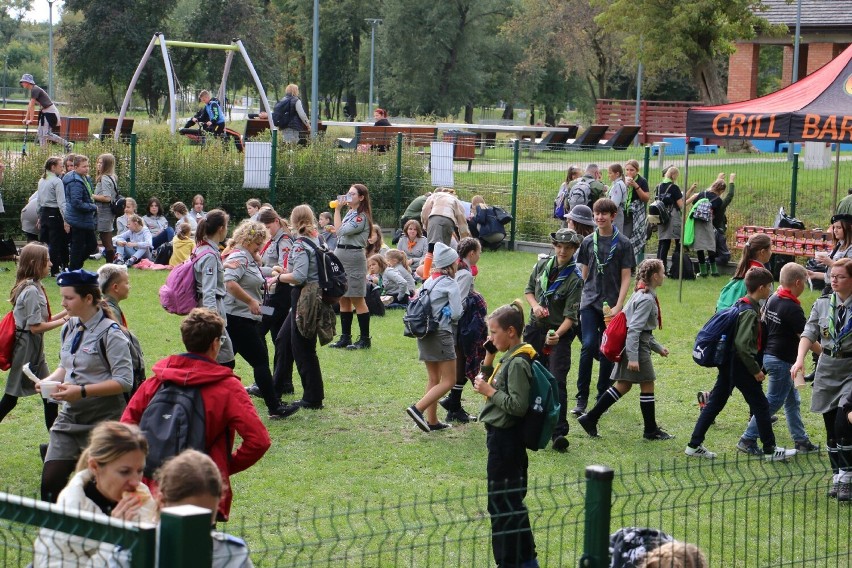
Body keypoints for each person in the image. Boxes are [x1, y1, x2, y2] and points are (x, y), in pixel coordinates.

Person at [122, 309, 272, 520]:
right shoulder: (228, 387)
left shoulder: (158, 379)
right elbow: (259, 441)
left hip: (151, 485)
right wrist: (221, 468)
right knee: (197, 549)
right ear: (214, 344)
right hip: (200, 490)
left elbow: (126, 426)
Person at [39, 269, 133, 502]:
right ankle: (56, 537)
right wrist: (49, 381)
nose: (63, 303)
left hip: (103, 424)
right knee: (50, 484)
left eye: (69, 298)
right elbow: (66, 366)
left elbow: (124, 381)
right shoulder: (69, 327)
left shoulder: (112, 334)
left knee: (98, 493)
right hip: (70, 419)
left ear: (88, 298)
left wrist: (81, 392)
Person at [685, 267, 797, 462]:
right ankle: (770, 450)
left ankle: (693, 445)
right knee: (761, 405)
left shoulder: (743, 304)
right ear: (761, 288)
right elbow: (742, 345)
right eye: (769, 286)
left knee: (715, 404)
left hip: (729, 364)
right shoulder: (749, 313)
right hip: (740, 365)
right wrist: (755, 370)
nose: (771, 290)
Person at [33, 421, 158, 568]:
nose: (135, 482)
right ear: (94, 466)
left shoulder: (142, 495)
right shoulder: (71, 511)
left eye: (139, 471)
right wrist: (113, 536)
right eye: (124, 472)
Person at [472, 301, 538, 568]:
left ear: (511, 332)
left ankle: (509, 562)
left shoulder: (519, 362)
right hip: (499, 440)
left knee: (501, 506)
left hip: (506, 442)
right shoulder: (508, 356)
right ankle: (527, 560)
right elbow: (487, 382)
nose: (490, 338)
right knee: (511, 503)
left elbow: (518, 406)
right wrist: (488, 357)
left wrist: (490, 393)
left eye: (494, 333)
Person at [578, 259, 673, 440]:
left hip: (635, 346)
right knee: (647, 383)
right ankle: (650, 430)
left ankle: (590, 417)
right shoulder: (646, 299)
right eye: (662, 272)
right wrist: (633, 357)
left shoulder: (639, 293)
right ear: (655, 276)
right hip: (636, 348)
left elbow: (641, 330)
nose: (664, 276)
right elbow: (635, 330)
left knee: (624, 385)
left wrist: (659, 348)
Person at [736, 263, 818, 455]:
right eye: (805, 282)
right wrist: (826, 353)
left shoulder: (773, 299)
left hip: (773, 357)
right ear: (798, 283)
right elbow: (807, 337)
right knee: (771, 403)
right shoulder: (792, 308)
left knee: (792, 402)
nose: (805, 286)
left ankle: (801, 440)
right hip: (781, 361)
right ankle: (747, 439)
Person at [791, 257, 852, 500]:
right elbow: (809, 332)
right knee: (830, 427)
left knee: (843, 422)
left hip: (850, 368)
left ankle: (848, 478)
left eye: (840, 277)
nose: (834, 280)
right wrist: (799, 359)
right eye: (832, 276)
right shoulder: (824, 303)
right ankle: (837, 475)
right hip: (827, 367)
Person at [222, 220, 292, 418]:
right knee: (260, 361)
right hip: (238, 317)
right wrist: (251, 301)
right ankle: (274, 407)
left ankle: (215, 402)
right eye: (259, 241)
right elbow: (230, 283)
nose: (261, 246)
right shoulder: (240, 256)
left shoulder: (247, 256)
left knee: (224, 364)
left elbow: (253, 275)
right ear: (250, 239)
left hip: (244, 316)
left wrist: (271, 270)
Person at [573, 198, 636, 415]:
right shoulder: (588, 241)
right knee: (588, 345)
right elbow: (583, 271)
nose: (599, 217)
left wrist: (619, 305)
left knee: (608, 351)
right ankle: (581, 399)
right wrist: (584, 294)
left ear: (613, 215)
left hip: (611, 306)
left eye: (604, 214)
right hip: (589, 302)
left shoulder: (624, 244)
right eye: (596, 214)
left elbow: (626, 276)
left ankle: (602, 396)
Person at [523, 228, 584, 450]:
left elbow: (571, 316)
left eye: (568, 247)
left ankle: (558, 432)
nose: (562, 250)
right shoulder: (542, 266)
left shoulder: (575, 279)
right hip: (534, 330)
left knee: (556, 381)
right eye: (559, 246)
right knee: (527, 376)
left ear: (574, 249)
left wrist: (557, 335)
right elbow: (529, 290)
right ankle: (528, 425)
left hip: (559, 334)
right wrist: (536, 306)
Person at [0, 243, 66, 430]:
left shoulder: (36, 285)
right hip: (26, 348)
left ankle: (55, 443)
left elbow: (45, 320)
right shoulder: (30, 291)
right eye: (47, 261)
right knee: (11, 398)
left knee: (49, 394)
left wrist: (68, 313)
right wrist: (66, 320)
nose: (51, 264)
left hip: (34, 348)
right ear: (34, 263)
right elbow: (36, 327)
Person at [154, 450, 256, 566]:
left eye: (207, 519)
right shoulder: (141, 550)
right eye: (190, 518)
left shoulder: (232, 556)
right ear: (163, 502)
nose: (197, 528)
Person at [274, 205, 328, 411]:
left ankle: (313, 398)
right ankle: (276, 386)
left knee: (303, 347)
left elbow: (299, 276)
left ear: (293, 221)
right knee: (283, 339)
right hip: (313, 295)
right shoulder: (318, 238)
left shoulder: (300, 243)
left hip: (305, 297)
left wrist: (279, 277)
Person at [406, 242, 463, 432]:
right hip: (441, 333)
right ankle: (418, 409)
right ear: (451, 264)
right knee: (449, 380)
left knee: (433, 378)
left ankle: (432, 421)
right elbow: (456, 313)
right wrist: (449, 312)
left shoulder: (428, 280)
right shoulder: (450, 283)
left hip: (424, 333)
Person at [329, 184, 374, 350]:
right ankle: (345, 337)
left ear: (361, 197)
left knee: (357, 298)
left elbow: (341, 231)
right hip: (341, 254)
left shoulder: (361, 216)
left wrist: (336, 211)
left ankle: (364, 339)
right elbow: (340, 231)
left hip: (353, 258)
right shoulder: (350, 213)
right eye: (348, 193)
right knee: (343, 298)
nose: (348, 197)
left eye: (352, 194)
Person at [193, 209, 236, 367]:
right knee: (225, 360)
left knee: (209, 359)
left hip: (202, 308)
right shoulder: (210, 254)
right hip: (211, 308)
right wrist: (214, 321)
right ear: (221, 228)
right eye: (227, 225)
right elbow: (208, 290)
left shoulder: (200, 248)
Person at [684, 174, 732, 277]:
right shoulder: (718, 200)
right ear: (721, 191)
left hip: (697, 222)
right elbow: (717, 212)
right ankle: (714, 270)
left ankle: (703, 271)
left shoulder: (702, 194)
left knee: (700, 247)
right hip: (708, 223)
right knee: (710, 246)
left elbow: (695, 204)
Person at [715, 233, 772, 312]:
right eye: (770, 249)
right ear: (762, 252)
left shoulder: (744, 268)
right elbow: (764, 307)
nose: (771, 252)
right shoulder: (761, 276)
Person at [62, 155, 98, 271]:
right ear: (76, 167)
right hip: (78, 218)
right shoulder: (75, 182)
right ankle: (74, 268)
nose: (87, 169)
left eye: (88, 166)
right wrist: (92, 207)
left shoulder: (84, 178)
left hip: (84, 218)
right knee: (81, 246)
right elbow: (76, 202)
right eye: (84, 167)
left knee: (89, 245)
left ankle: (75, 267)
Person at [19, 73, 72, 151]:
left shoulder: (35, 89)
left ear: (27, 82)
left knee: (46, 134)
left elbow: (32, 106)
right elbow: (30, 106)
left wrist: (31, 119)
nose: (22, 83)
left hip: (50, 112)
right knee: (41, 134)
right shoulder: (33, 90)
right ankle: (43, 153)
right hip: (45, 113)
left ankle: (67, 144)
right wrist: (26, 118)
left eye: (23, 81)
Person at [36, 156, 68, 276]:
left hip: (44, 213)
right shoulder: (57, 181)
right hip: (54, 214)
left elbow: (38, 201)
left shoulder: (42, 180)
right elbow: (62, 203)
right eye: (61, 166)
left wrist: (39, 216)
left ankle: (40, 268)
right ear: (53, 167)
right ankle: (54, 270)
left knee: (43, 243)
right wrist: (66, 220)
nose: (62, 169)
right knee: (55, 243)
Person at [655, 167, 688, 275]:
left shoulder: (658, 186)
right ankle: (675, 268)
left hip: (661, 216)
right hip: (672, 216)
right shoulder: (674, 188)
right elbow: (680, 205)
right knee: (674, 241)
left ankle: (658, 267)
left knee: (662, 241)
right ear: (674, 175)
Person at [807, 214, 852, 289]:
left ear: (849, 228)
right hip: (832, 288)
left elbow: (849, 272)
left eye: (839, 227)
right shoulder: (839, 245)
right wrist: (814, 274)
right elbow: (831, 276)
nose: (835, 230)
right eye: (834, 227)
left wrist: (831, 263)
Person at [623, 159, 650, 264]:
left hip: (634, 214)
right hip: (624, 213)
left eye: (632, 170)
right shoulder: (622, 180)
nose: (629, 173)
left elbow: (646, 198)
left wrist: (635, 186)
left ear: (637, 171)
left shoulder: (642, 181)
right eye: (627, 170)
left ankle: (631, 264)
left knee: (631, 238)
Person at [93, 153, 118, 263]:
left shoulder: (105, 178)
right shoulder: (112, 176)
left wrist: (91, 196)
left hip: (104, 211)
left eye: (101, 163)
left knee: (106, 240)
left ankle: (110, 265)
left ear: (107, 165)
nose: (98, 165)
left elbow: (107, 198)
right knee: (106, 238)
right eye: (98, 162)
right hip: (105, 212)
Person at [97, 263, 130, 327]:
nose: (129, 286)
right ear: (115, 287)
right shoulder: (111, 311)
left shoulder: (109, 305)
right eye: (127, 283)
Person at [606, 163, 628, 233]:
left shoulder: (618, 185)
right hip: (614, 213)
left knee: (615, 234)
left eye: (610, 173)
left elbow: (614, 204)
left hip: (615, 214)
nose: (608, 175)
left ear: (617, 174)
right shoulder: (616, 184)